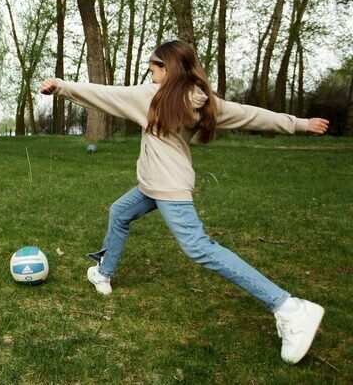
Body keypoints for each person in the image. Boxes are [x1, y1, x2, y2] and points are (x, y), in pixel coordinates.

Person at [40, 40, 329, 365]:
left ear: (170, 68)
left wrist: (61, 87)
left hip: (168, 187)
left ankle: (288, 307)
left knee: (199, 248)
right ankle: (103, 272)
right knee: (120, 211)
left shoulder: (151, 98)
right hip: (157, 182)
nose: (150, 68)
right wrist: (301, 124)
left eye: (155, 63)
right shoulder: (204, 101)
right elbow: (250, 115)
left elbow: (104, 95)